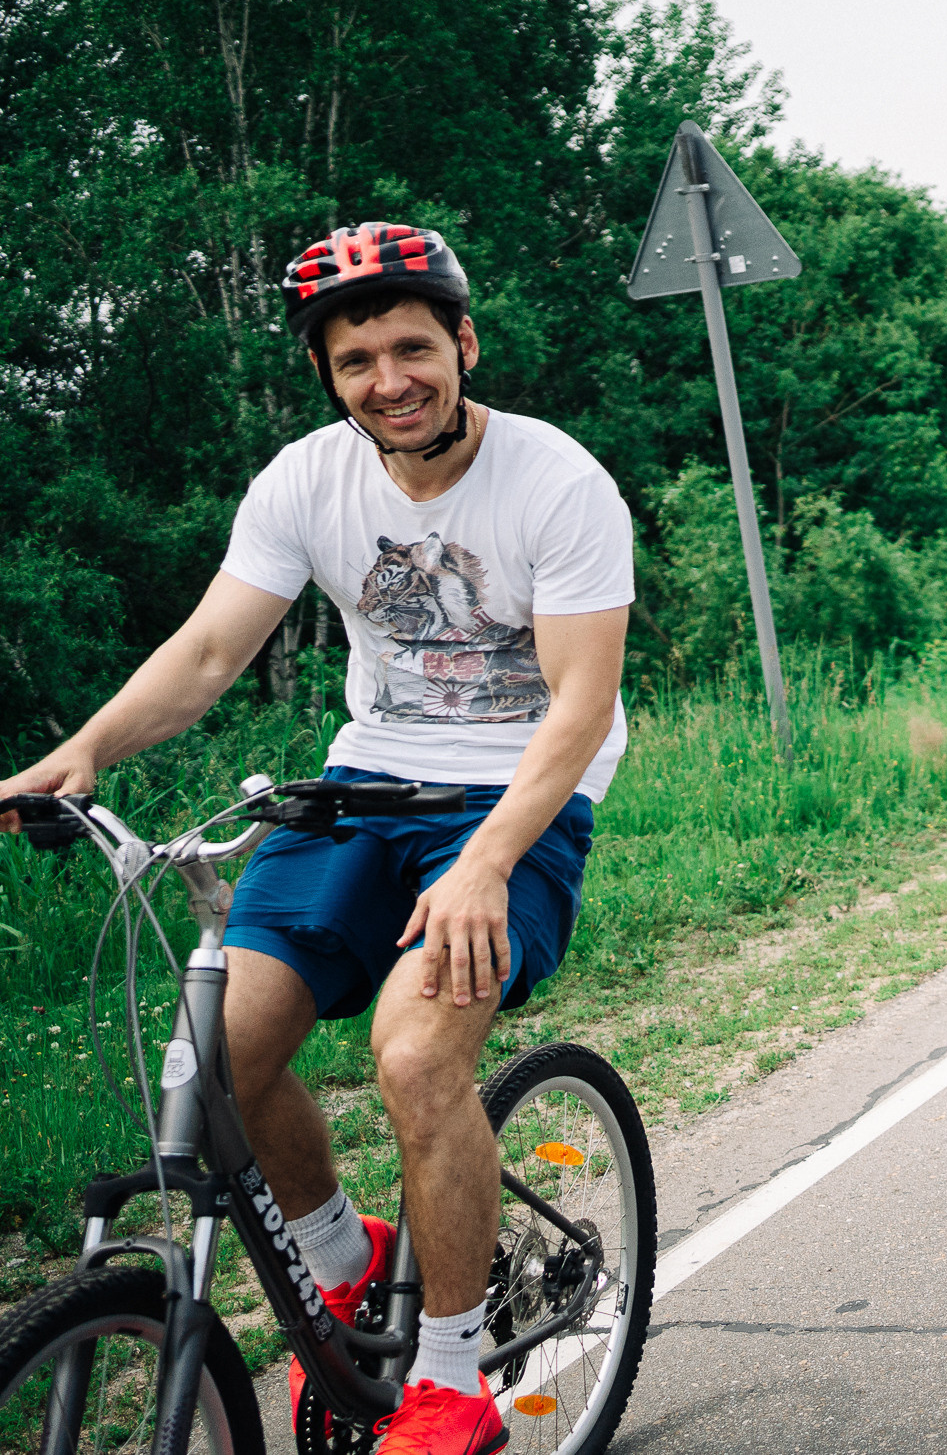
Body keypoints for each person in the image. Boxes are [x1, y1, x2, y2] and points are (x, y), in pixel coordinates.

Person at [0, 223, 632, 1455]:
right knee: (213, 1055)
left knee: (414, 1058)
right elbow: (206, 652)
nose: (389, 380)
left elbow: (580, 703)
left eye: (412, 347)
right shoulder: (304, 479)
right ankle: (349, 1259)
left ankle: (450, 1382)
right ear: (330, 377)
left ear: (464, 342)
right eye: (357, 361)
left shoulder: (558, 481)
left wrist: (490, 864)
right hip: (361, 788)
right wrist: (82, 753)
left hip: (517, 798)